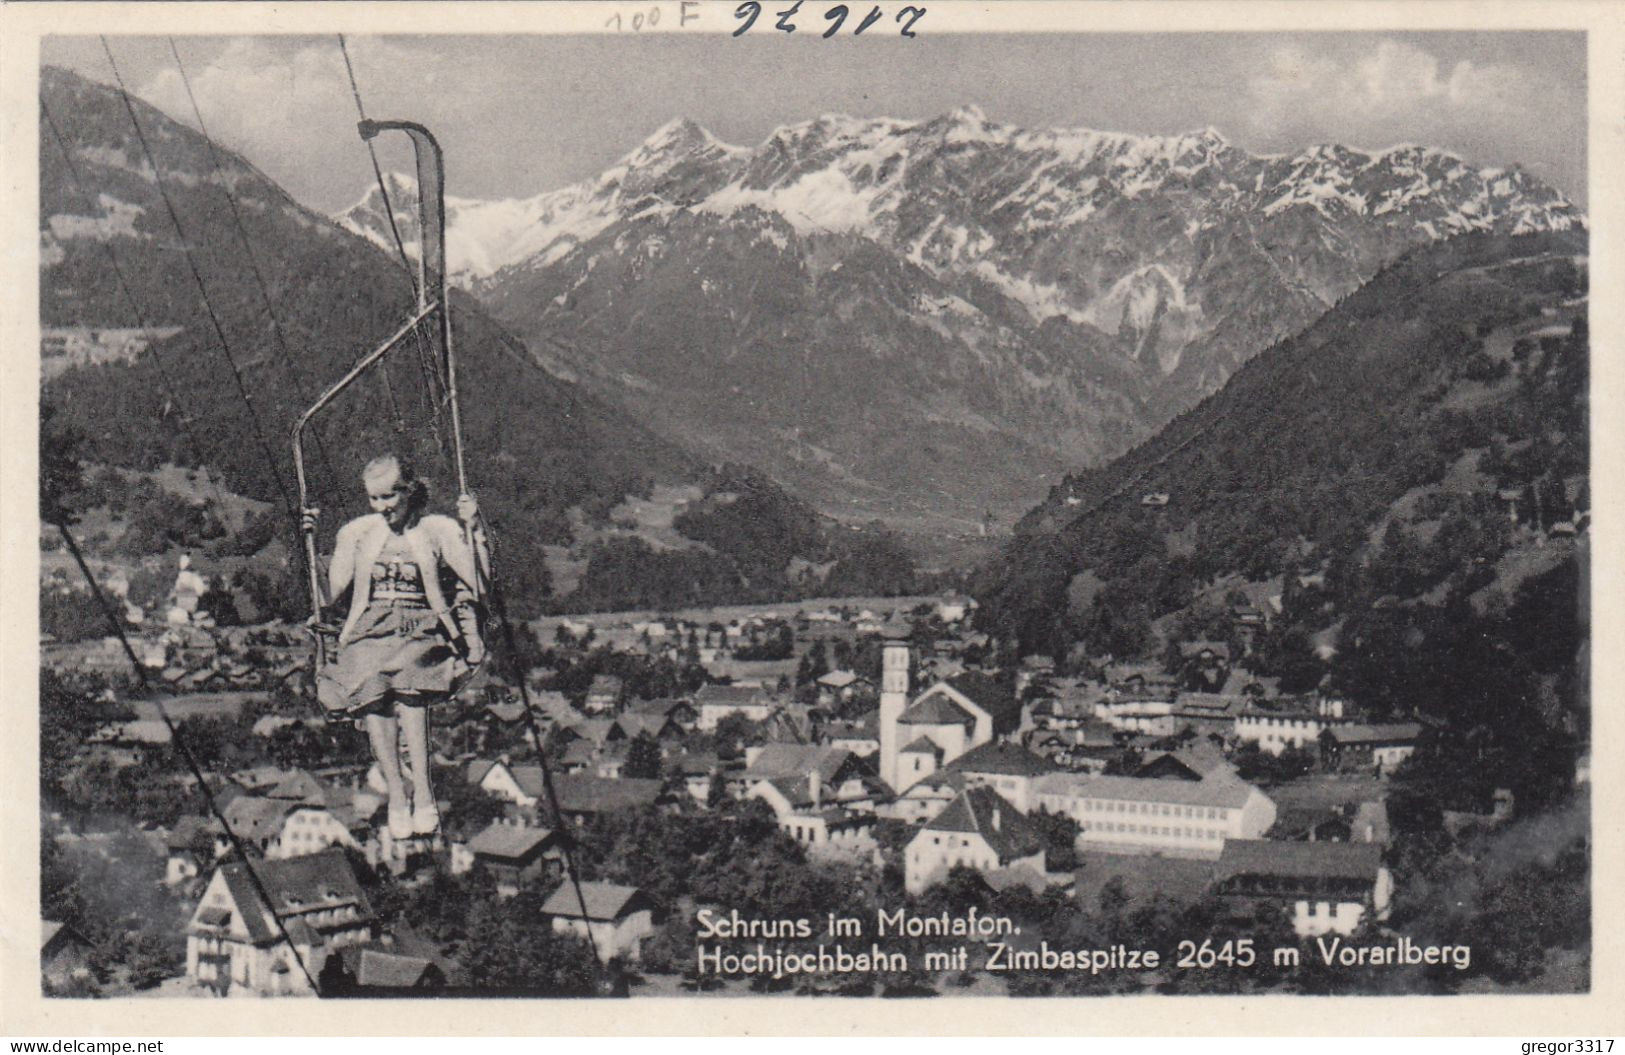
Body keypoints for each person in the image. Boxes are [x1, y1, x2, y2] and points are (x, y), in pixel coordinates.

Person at [302, 454, 489, 840]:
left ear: (410, 491)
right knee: (371, 690)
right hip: (370, 626)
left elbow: (478, 582)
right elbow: (329, 594)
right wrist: (311, 544)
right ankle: (398, 795)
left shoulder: (437, 529)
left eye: (391, 496)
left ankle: (422, 790)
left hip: (420, 622)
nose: (384, 507)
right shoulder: (358, 533)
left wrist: (475, 529)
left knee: (409, 686)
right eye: (375, 498)